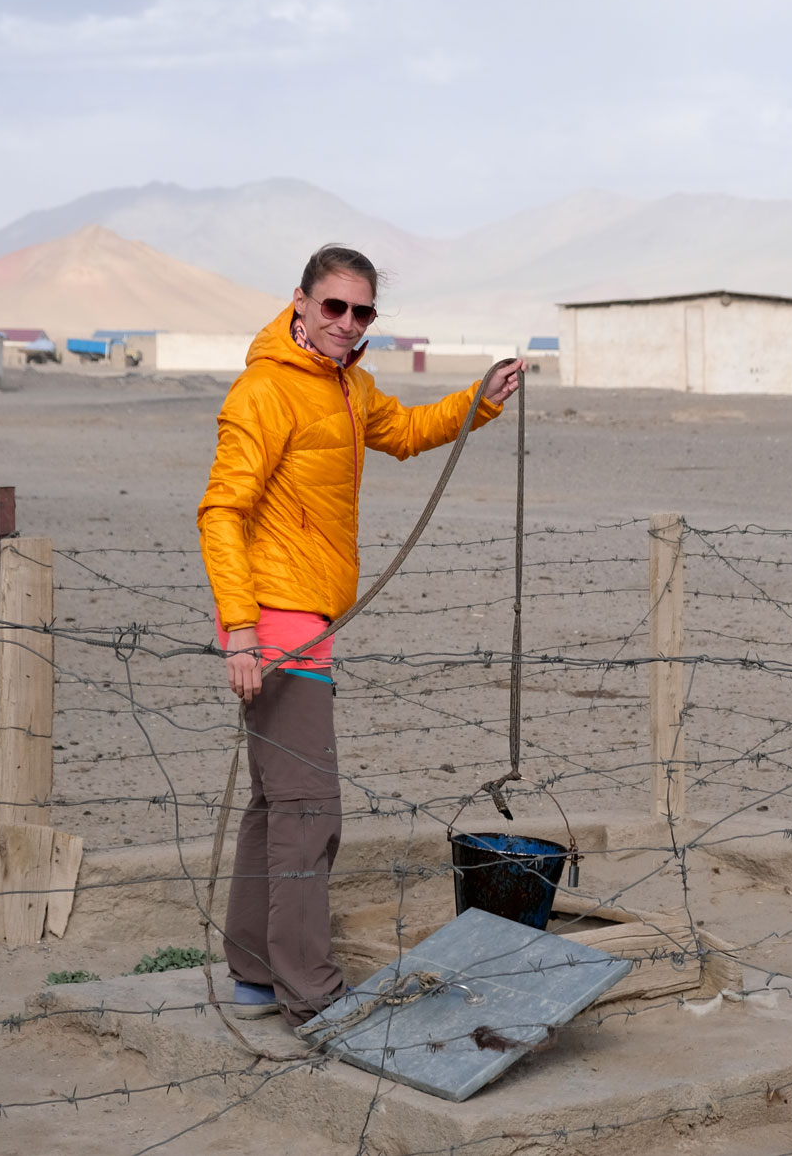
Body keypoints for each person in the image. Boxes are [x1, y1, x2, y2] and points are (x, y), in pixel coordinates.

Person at [197, 244, 523, 1026]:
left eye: (362, 311)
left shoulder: (347, 388)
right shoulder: (266, 391)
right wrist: (241, 632)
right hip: (275, 622)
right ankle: (310, 992)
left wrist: (477, 400)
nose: (347, 323)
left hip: (307, 615)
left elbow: (405, 431)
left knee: (276, 805)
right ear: (300, 304)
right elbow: (222, 511)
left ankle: (250, 973)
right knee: (311, 811)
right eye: (334, 307)